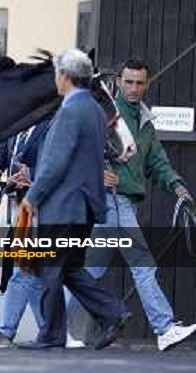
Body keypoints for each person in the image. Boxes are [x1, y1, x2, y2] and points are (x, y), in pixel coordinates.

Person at [81, 59, 196, 351]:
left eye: (139, 83)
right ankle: (164, 327)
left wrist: (177, 185)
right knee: (142, 264)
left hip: (126, 203)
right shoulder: (107, 112)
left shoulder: (145, 121)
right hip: (112, 199)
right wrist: (96, 172)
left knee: (89, 271)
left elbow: (157, 161)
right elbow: (79, 148)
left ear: (147, 84)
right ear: (119, 81)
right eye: (129, 82)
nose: (133, 88)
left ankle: (53, 325)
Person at [21, 49, 131, 349]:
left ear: (66, 77)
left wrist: (32, 196)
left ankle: (51, 335)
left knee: (51, 269)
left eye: (57, 74)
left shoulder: (70, 110)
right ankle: (113, 313)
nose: (56, 79)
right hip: (83, 206)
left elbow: (55, 162)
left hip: (63, 206)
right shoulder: (94, 109)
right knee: (69, 269)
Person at [0, 120, 86, 347]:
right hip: (19, 204)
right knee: (32, 273)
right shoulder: (17, 124)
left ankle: (6, 330)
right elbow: (4, 151)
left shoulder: (53, 125)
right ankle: (51, 330)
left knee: (24, 271)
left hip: (43, 206)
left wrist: (32, 175)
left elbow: (59, 163)